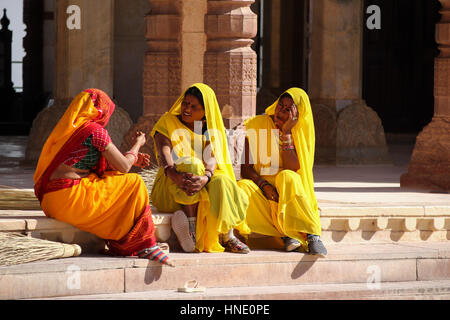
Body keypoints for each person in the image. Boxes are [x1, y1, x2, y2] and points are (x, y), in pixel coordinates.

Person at [33, 89, 174, 267]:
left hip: (51, 201)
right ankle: (142, 243)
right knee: (134, 183)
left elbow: (92, 163)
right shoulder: (94, 130)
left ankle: (131, 240)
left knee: (114, 178)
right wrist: (137, 145)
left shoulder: (68, 128)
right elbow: (123, 166)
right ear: (101, 110)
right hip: (70, 199)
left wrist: (131, 158)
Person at [150, 83, 251, 254]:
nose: (187, 109)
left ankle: (228, 236)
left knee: (222, 180)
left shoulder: (210, 129)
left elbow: (212, 155)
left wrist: (206, 177)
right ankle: (191, 228)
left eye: (193, 106)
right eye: (185, 103)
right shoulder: (167, 121)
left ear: (205, 112)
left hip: (200, 186)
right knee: (192, 163)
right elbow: (164, 151)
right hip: (170, 187)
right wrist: (172, 173)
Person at [238, 88, 327, 255]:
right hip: (263, 192)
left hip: (289, 192)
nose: (281, 111)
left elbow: (293, 168)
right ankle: (288, 233)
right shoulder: (257, 125)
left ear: (297, 115)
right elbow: (246, 169)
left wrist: (286, 132)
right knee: (241, 187)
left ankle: (312, 234)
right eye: (280, 105)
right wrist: (264, 185)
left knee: (287, 177)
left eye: (288, 110)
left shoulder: (300, 132)